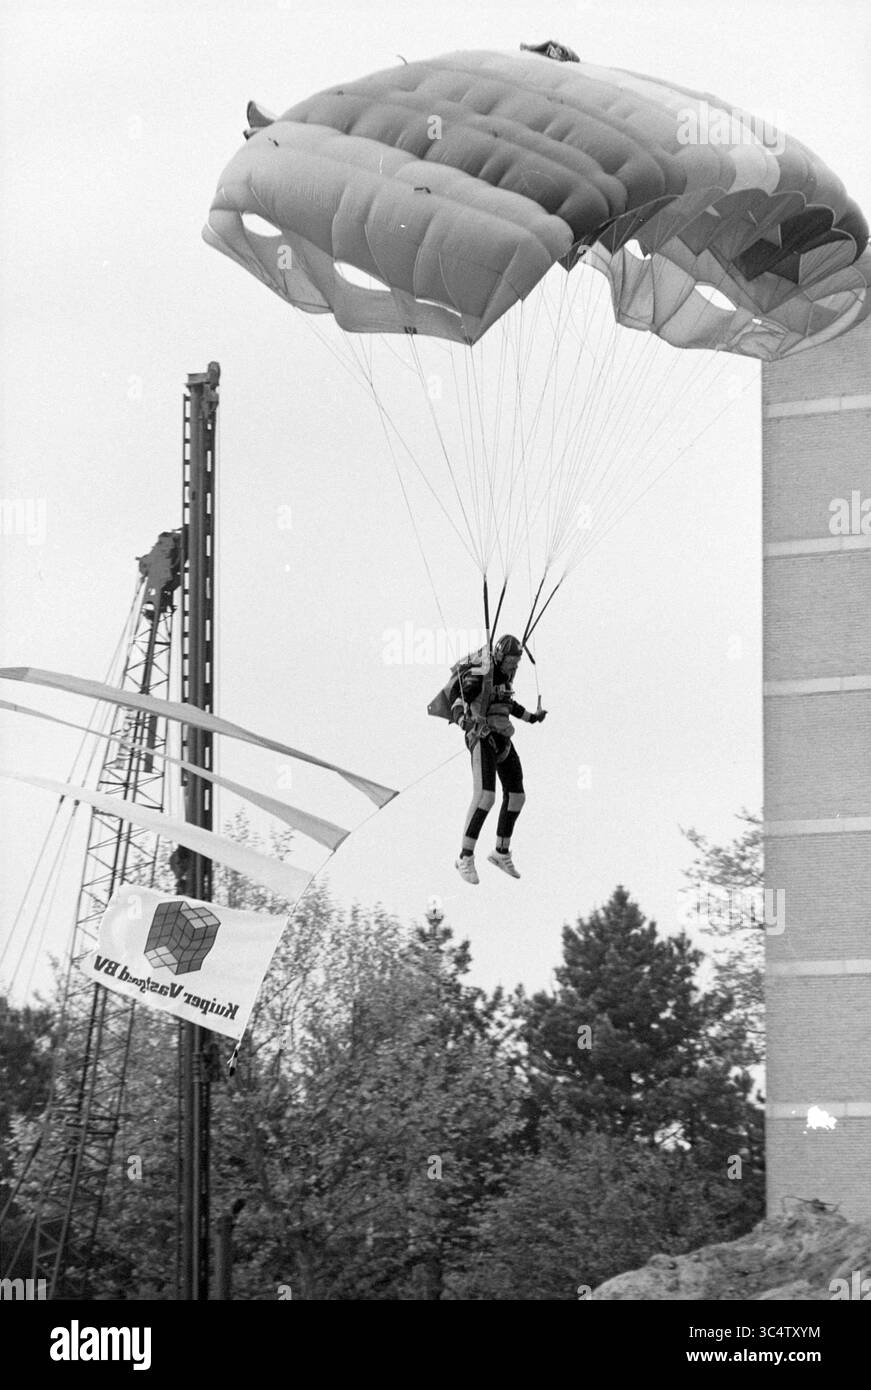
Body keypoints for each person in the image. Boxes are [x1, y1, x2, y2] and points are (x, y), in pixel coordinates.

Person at [449, 634, 547, 884]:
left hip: (502, 737)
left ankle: (500, 852)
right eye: (511, 662)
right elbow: (457, 700)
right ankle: (465, 857)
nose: (514, 667)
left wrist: (532, 717)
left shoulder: (504, 678)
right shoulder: (482, 674)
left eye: (517, 663)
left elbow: (508, 704)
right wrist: (464, 721)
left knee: (517, 797)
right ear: (501, 658)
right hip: (481, 736)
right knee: (486, 797)